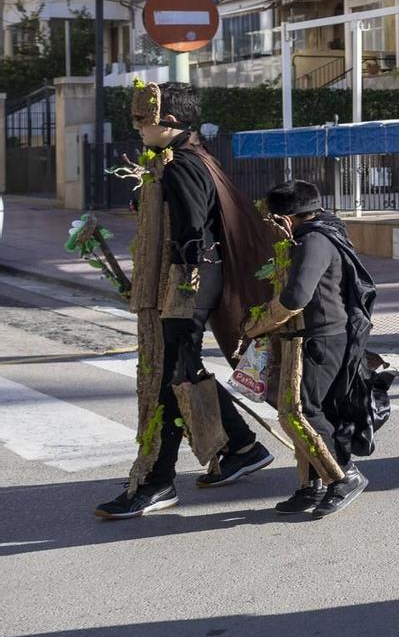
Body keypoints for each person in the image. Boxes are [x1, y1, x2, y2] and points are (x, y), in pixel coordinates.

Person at [95, 82, 275, 520]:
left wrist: (169, 283)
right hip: (189, 280)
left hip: (187, 284)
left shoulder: (181, 165)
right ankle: (241, 447)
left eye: (142, 119)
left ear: (168, 121)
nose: (137, 126)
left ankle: (158, 482)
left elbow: (194, 229)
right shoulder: (186, 158)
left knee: (168, 381)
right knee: (184, 373)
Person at [247, 180, 379, 517]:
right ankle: (311, 485)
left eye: (273, 220)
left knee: (302, 412)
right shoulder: (317, 234)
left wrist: (258, 323)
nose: (271, 228)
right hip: (312, 336)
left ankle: (343, 476)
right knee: (306, 409)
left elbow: (295, 297)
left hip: (320, 338)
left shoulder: (313, 242)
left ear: (287, 218)